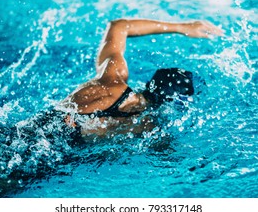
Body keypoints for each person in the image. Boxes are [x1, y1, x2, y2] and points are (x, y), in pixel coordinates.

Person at [56, 19, 223, 136]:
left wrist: (181, 27)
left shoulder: (113, 77)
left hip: (43, 123)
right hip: (56, 150)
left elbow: (119, 26)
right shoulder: (145, 127)